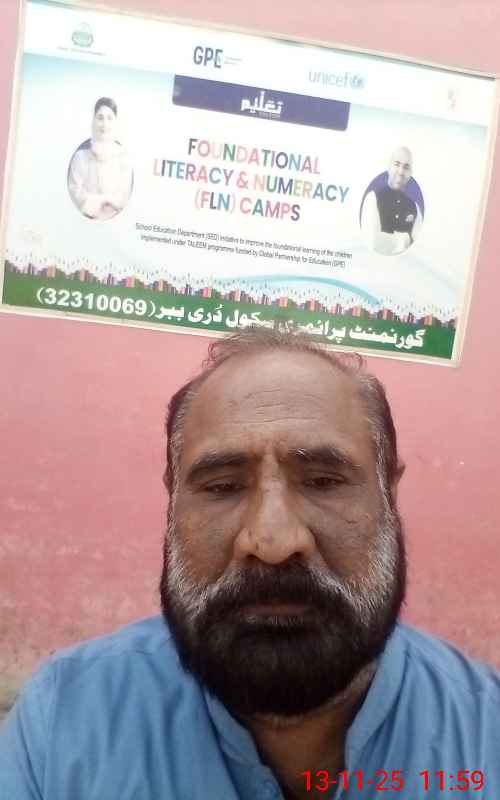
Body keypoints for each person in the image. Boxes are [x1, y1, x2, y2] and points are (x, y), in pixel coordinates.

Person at [1, 327, 499, 800]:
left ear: (389, 495)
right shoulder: (63, 722)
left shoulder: (486, 736)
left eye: (324, 481)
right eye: (222, 487)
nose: (273, 542)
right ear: (172, 503)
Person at [67, 96, 133, 221]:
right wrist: (103, 201)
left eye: (109, 118)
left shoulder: (124, 158)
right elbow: (75, 191)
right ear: (93, 121)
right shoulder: (80, 157)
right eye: (100, 118)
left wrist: (108, 202)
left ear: (116, 122)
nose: (104, 124)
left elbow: (123, 197)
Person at [361, 146, 422, 255]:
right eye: (397, 164)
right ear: (389, 166)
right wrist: (405, 239)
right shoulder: (373, 197)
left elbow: (419, 248)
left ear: (410, 173)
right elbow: (374, 243)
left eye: (406, 167)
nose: (401, 172)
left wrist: (389, 240)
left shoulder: (415, 207)